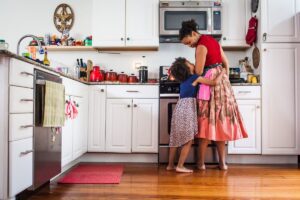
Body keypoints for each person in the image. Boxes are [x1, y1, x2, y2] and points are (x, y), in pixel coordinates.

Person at [179, 19, 248, 170]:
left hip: (209, 83)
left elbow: (198, 71)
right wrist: (225, 77)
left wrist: (190, 65)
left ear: (193, 33)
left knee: (206, 122)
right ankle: (223, 163)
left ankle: (200, 163)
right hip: (222, 83)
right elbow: (226, 63)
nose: (188, 44)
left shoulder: (201, 45)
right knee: (220, 121)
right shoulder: (213, 41)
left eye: (187, 41)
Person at [166, 57, 225, 173]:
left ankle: (170, 165)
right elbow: (214, 83)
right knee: (188, 140)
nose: (193, 63)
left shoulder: (183, 81)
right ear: (187, 68)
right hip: (188, 109)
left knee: (174, 139)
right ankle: (180, 166)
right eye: (189, 62)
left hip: (178, 109)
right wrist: (222, 71)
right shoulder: (195, 78)